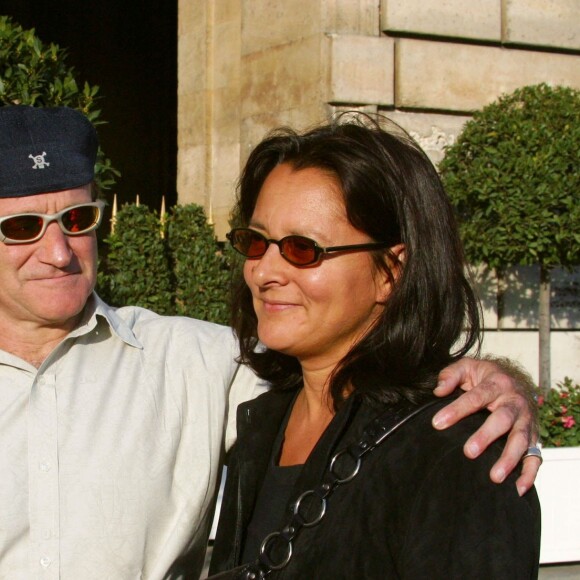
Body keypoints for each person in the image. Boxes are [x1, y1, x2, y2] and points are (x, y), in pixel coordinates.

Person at [0, 105, 538, 580]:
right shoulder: (270, 414)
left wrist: (497, 382)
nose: (57, 252)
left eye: (77, 220)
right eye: (22, 227)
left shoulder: (193, 363)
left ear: (390, 270)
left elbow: (400, 394)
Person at [208, 115, 541, 579]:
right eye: (256, 242)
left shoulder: (457, 450)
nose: (264, 272)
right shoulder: (263, 421)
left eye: (303, 249)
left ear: (391, 271)